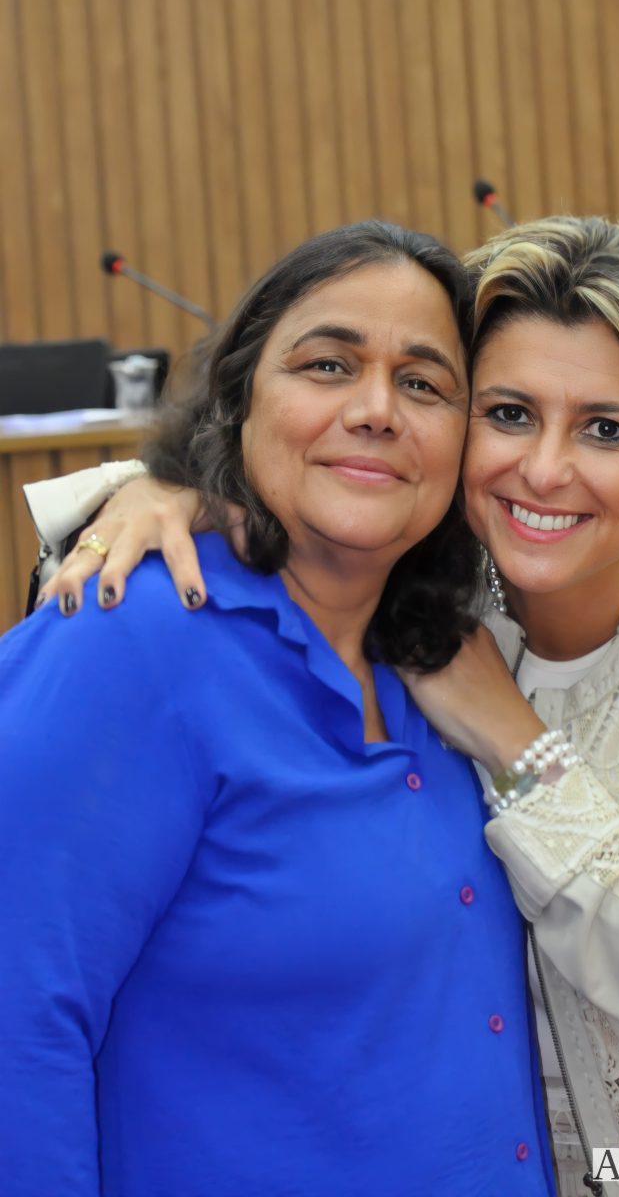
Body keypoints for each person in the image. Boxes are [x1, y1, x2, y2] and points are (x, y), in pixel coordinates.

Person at [21, 217, 619, 1197]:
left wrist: (513, 740)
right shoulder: (426, 578)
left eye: (605, 429)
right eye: (508, 413)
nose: (543, 469)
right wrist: (156, 489)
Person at [0, 222, 556, 1197]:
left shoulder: (448, 656)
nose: (377, 410)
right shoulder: (125, 642)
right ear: (238, 398)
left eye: (423, 383)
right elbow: (18, 1030)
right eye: (327, 364)